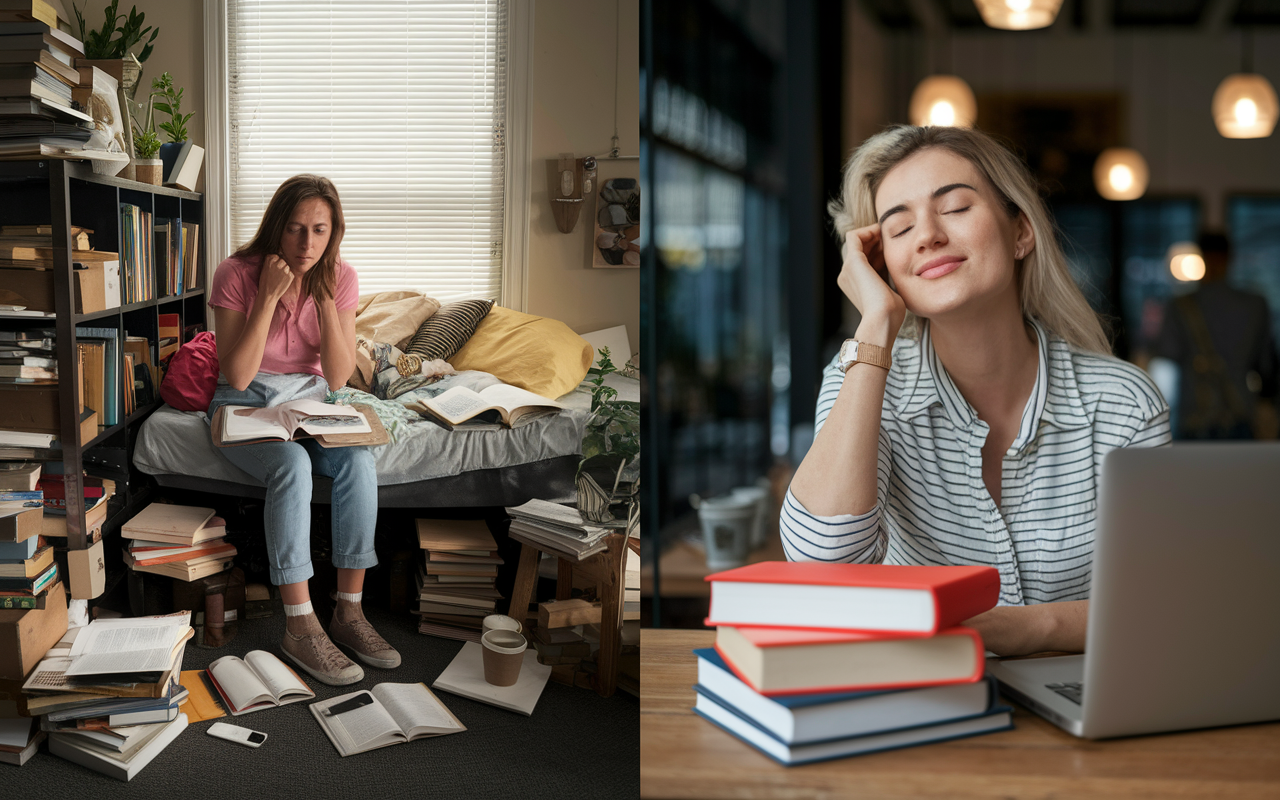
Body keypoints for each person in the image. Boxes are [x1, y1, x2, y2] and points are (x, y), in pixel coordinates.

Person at [781, 125, 1171, 657]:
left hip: (1089, 712)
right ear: (881, 266)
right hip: (925, 704)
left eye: (957, 207)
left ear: (1021, 233)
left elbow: (1162, 605)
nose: (928, 235)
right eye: (898, 228)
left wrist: (1022, 629)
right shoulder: (864, 380)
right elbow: (820, 566)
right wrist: (874, 326)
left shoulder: (1124, 404)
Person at [207, 174, 400, 685]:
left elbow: (337, 377)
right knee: (291, 464)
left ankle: (349, 611)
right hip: (244, 402)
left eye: (319, 230)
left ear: (334, 231)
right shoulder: (236, 272)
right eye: (294, 229)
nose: (306, 243)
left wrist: (320, 295)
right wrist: (269, 297)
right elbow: (239, 374)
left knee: (359, 459)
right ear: (277, 227)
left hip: (310, 401)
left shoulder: (341, 276)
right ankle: (299, 623)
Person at [1153, 231, 1278, 440]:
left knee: (1192, 473)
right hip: (1241, 411)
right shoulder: (1255, 305)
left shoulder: (1181, 306)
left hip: (1195, 413)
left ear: (1201, 257)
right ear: (1230, 257)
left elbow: (1167, 358)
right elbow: (1266, 364)